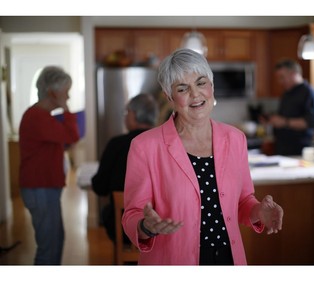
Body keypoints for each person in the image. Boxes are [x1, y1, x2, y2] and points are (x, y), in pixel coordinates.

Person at [122, 48, 284, 265]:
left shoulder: (235, 139)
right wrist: (145, 226)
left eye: (201, 83)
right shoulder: (145, 146)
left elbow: (243, 201)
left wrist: (258, 211)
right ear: (169, 96)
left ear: (212, 86)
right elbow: (132, 214)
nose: (195, 94)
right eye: (182, 88)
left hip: (227, 258)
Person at [19, 66, 80, 265]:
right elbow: (72, 136)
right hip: (40, 188)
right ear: (52, 92)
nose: (68, 97)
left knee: (55, 241)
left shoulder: (42, 117)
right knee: (49, 248)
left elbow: (68, 140)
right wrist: (66, 108)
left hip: (44, 187)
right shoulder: (37, 117)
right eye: (66, 92)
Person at [91, 93, 159, 244]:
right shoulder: (165, 144)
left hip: (124, 227)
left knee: (109, 212)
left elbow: (99, 187)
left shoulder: (116, 144)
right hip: (160, 226)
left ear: (133, 114)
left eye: (126, 112)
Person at [267, 59, 314, 156]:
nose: (280, 81)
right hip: (282, 148)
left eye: (282, 77)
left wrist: (284, 122)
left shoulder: (308, 92)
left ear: (294, 74)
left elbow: (310, 123)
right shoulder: (287, 93)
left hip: (298, 150)